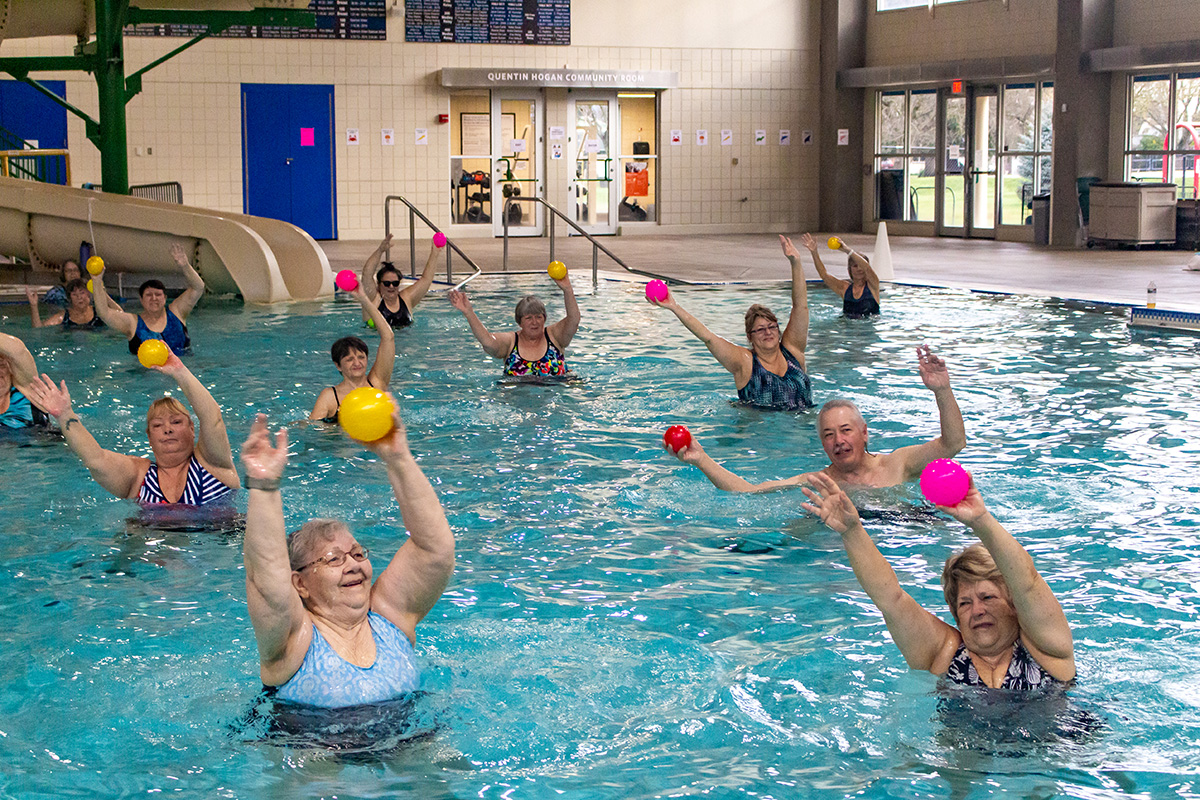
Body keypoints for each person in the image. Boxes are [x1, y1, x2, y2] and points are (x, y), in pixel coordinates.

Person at [239, 408, 455, 708]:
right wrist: (263, 486)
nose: (353, 565)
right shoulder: (295, 640)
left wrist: (399, 458)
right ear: (300, 584)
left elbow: (435, 550)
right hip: (315, 749)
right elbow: (267, 579)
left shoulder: (388, 616)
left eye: (356, 554)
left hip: (411, 741)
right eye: (333, 559)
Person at [801, 471, 1075, 689]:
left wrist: (981, 521)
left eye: (988, 597)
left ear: (1014, 605)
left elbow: (1027, 582)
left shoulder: (1045, 649)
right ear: (956, 616)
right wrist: (852, 531)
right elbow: (891, 600)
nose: (977, 610)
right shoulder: (944, 654)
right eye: (965, 603)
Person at [668, 345, 965, 490]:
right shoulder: (819, 483)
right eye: (828, 435)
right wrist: (701, 459)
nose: (839, 441)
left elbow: (953, 444)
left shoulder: (899, 463)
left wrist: (942, 390)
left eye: (846, 430)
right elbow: (748, 492)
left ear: (864, 433)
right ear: (822, 444)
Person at [22, 347, 239, 505]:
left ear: (192, 429)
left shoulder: (212, 463)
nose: (167, 429)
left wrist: (180, 372)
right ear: (149, 437)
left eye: (176, 422)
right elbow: (96, 460)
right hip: (155, 552)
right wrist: (64, 414)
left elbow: (213, 419)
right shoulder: (138, 477)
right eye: (157, 425)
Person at [649, 235, 813, 410]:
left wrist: (796, 262)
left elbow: (800, 306)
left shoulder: (793, 351)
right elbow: (709, 338)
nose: (768, 332)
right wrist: (675, 307)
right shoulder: (744, 362)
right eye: (760, 329)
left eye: (772, 327)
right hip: (761, 431)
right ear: (750, 336)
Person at [447, 268, 580, 378]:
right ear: (519, 322)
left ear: (544, 318)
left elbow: (573, 320)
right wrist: (469, 313)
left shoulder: (554, 336)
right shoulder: (511, 342)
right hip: (518, 398)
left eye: (538, 317)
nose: (534, 322)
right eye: (528, 318)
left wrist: (567, 290)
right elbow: (487, 341)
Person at [92, 243, 205, 355]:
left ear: (165, 298)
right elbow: (104, 313)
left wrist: (185, 266)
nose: (154, 298)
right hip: (146, 372)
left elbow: (198, 288)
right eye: (148, 295)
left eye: (158, 294)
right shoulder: (133, 323)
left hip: (183, 369)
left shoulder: (177, 312)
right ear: (141, 300)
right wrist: (97, 281)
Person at [309, 284, 395, 423]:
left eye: (361, 357)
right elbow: (313, 430)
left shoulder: (377, 383)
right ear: (338, 365)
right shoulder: (330, 397)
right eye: (349, 359)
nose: (357, 363)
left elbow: (388, 337)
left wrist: (363, 299)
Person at [359, 234, 439, 328]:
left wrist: (435, 252)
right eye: (387, 283)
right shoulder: (373, 299)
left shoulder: (406, 298)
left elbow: (426, 279)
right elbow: (367, 274)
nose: (391, 286)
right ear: (379, 284)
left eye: (395, 283)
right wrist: (380, 250)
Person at [804, 233, 881, 318]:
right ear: (849, 270)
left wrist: (847, 250)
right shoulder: (844, 288)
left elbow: (866, 267)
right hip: (847, 328)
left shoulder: (873, 285)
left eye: (861, 265)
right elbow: (824, 275)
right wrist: (814, 253)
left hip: (869, 328)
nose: (859, 269)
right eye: (855, 266)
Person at [0, 331, 49, 430]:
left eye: (1, 365)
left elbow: (16, 349)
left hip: (44, 443)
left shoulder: (29, 391)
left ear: (11, 370)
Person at [26, 280, 105, 329]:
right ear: (70, 299)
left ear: (88, 294)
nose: (79, 297)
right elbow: (38, 328)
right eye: (74, 294)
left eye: (82, 292)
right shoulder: (63, 317)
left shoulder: (99, 313)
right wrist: (34, 306)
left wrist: (105, 295)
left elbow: (117, 314)